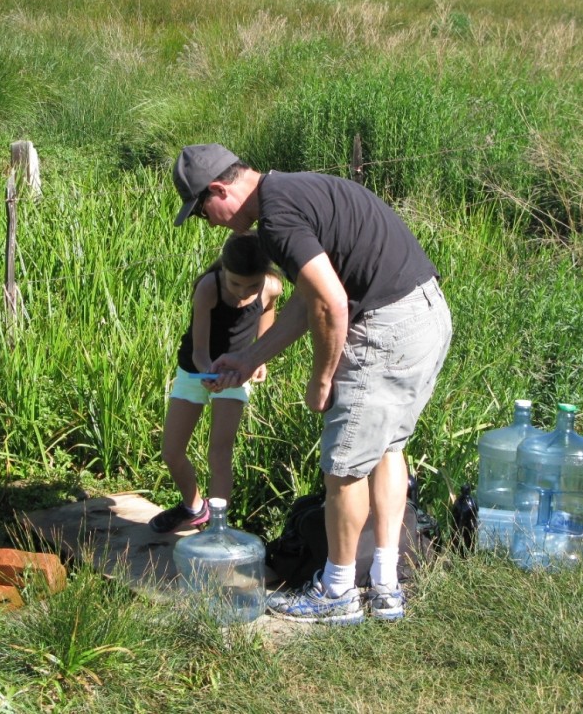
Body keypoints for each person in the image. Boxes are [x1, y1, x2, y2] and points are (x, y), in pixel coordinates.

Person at [171, 144, 452, 623]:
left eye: (202, 210)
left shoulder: (277, 219)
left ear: (219, 189)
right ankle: (385, 584)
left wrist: (322, 378)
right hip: (425, 315)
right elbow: (309, 298)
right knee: (387, 449)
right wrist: (248, 357)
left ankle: (338, 591)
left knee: (344, 466)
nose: (210, 222)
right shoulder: (294, 189)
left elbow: (332, 305)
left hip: (386, 326)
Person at [149, 231, 283, 533]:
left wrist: (259, 357)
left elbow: (269, 313)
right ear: (223, 269)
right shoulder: (209, 287)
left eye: (252, 285)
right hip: (197, 369)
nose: (242, 292)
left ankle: (217, 528)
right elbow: (198, 350)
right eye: (235, 283)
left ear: (265, 276)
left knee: (219, 452)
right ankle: (194, 508)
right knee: (171, 450)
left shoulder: (271, 287)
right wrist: (210, 376)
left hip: (236, 372)